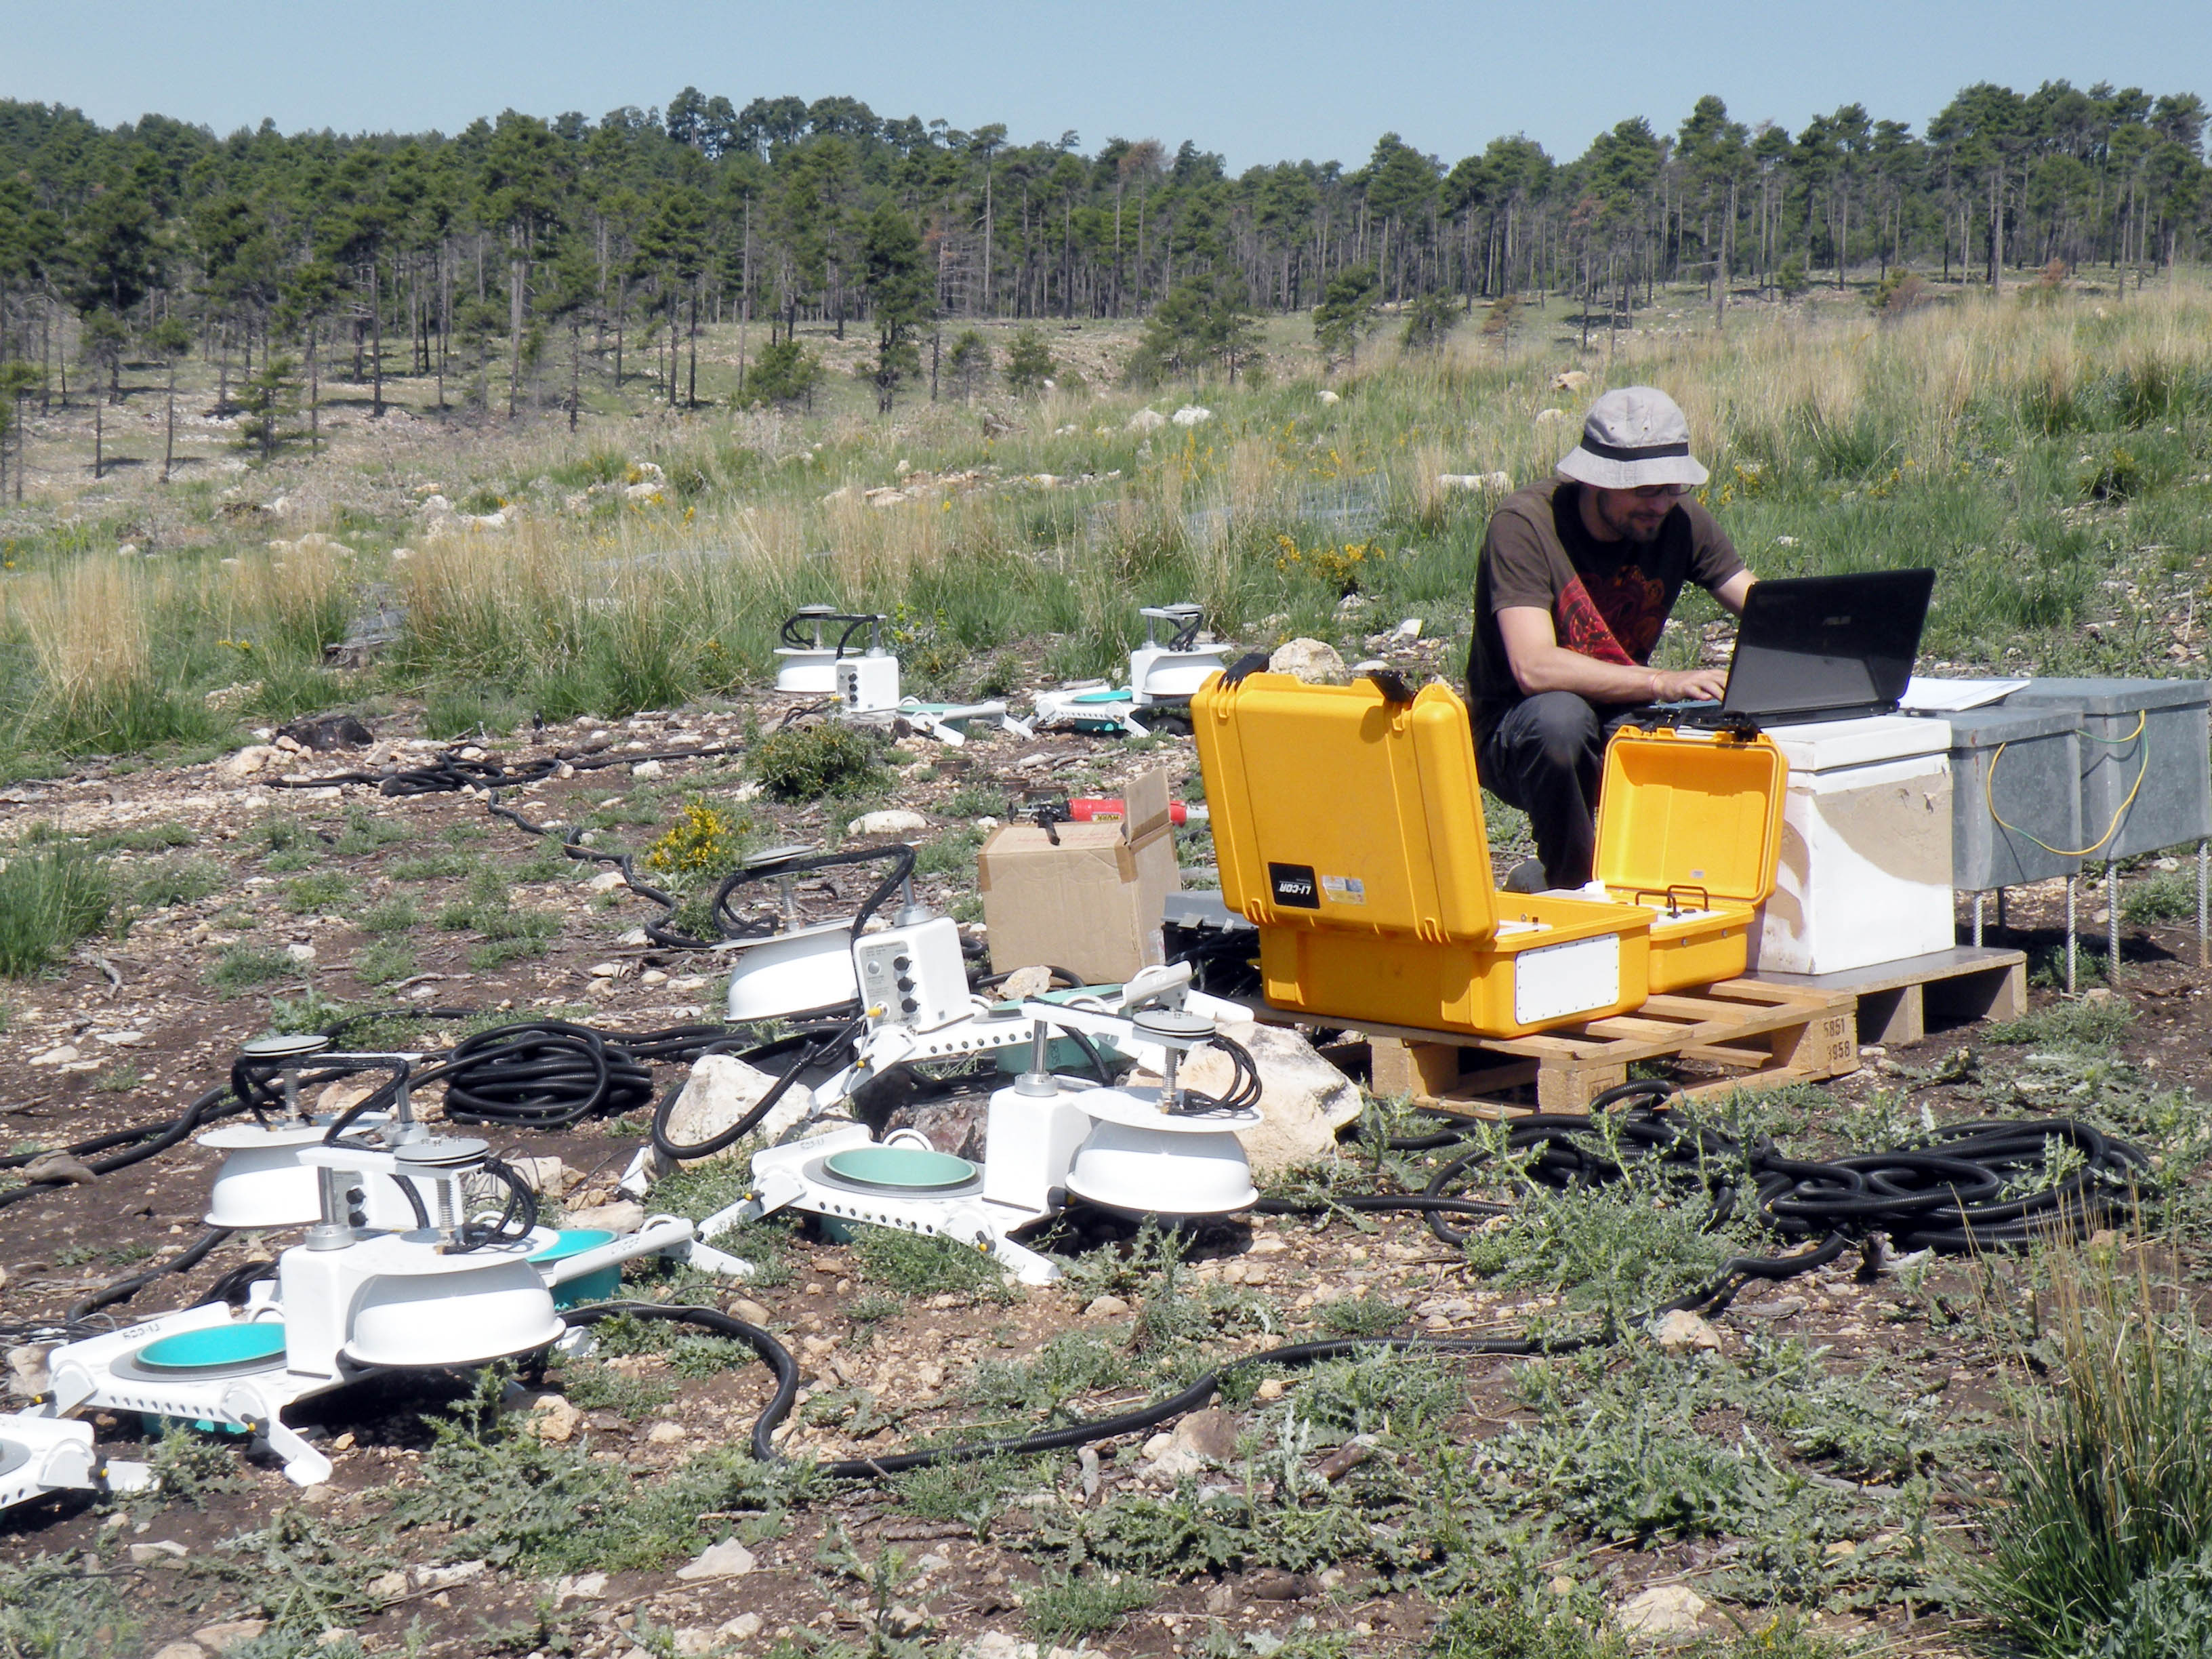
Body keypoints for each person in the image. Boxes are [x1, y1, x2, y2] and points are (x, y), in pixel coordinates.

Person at [1466, 386, 1755, 891]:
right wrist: (1663, 682)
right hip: (1516, 730)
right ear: (1594, 481)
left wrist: (1833, 637)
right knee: (1562, 720)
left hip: (1619, 713)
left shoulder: (1677, 519)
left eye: (1672, 488)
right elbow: (1534, 667)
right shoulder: (1524, 526)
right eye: (1645, 490)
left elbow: (1761, 607)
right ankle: (1572, 892)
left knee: (1734, 725)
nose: (1661, 504)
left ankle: (1693, 886)